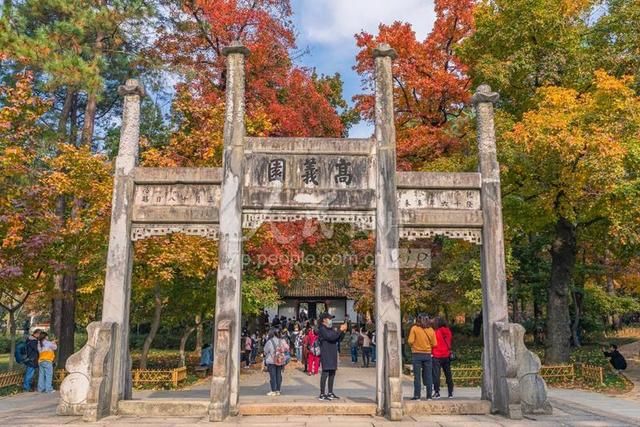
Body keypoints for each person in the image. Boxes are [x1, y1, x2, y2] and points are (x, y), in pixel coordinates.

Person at [317, 313, 348, 401]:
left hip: (333, 353)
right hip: (326, 353)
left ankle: (330, 392)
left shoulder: (330, 329)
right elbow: (330, 337)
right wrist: (339, 330)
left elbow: (338, 338)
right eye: (329, 318)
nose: (331, 320)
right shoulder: (322, 329)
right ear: (324, 320)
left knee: (332, 373)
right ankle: (322, 393)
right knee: (325, 372)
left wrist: (343, 331)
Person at [407, 315, 437, 400]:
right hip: (427, 355)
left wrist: (415, 345)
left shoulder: (414, 328)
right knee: (428, 375)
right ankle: (429, 396)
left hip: (417, 354)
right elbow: (435, 344)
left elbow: (410, 341)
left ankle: (417, 396)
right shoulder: (431, 330)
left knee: (417, 376)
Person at [432, 317, 454, 399]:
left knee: (436, 375)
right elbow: (449, 340)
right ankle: (450, 393)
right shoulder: (448, 331)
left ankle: (437, 392)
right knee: (448, 374)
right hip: (446, 355)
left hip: (436, 355)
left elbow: (433, 343)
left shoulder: (436, 332)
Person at [263, 328, 289, 396]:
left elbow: (265, 351)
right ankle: (278, 390)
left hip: (271, 360)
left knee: (273, 376)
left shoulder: (269, 341)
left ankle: (273, 390)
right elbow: (287, 348)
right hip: (280, 360)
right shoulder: (282, 341)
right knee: (278, 375)